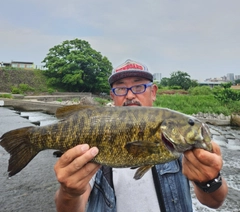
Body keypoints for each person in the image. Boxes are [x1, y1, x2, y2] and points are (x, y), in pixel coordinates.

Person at [54, 59, 228, 212]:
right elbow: (68, 208)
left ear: (153, 92)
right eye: (121, 88)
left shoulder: (180, 150)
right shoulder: (91, 135)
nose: (130, 95)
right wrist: (69, 193)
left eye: (138, 86)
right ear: (112, 96)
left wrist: (210, 181)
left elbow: (214, 201)